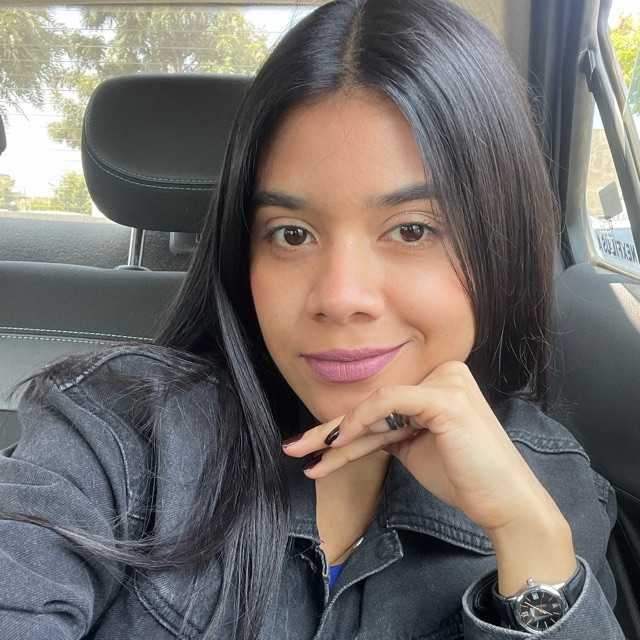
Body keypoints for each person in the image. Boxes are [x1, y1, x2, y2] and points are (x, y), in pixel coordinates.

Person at [0, 0, 626, 638]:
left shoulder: (554, 487)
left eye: (412, 229)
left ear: (502, 241)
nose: (340, 296)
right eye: (292, 234)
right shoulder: (115, 432)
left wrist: (531, 546)